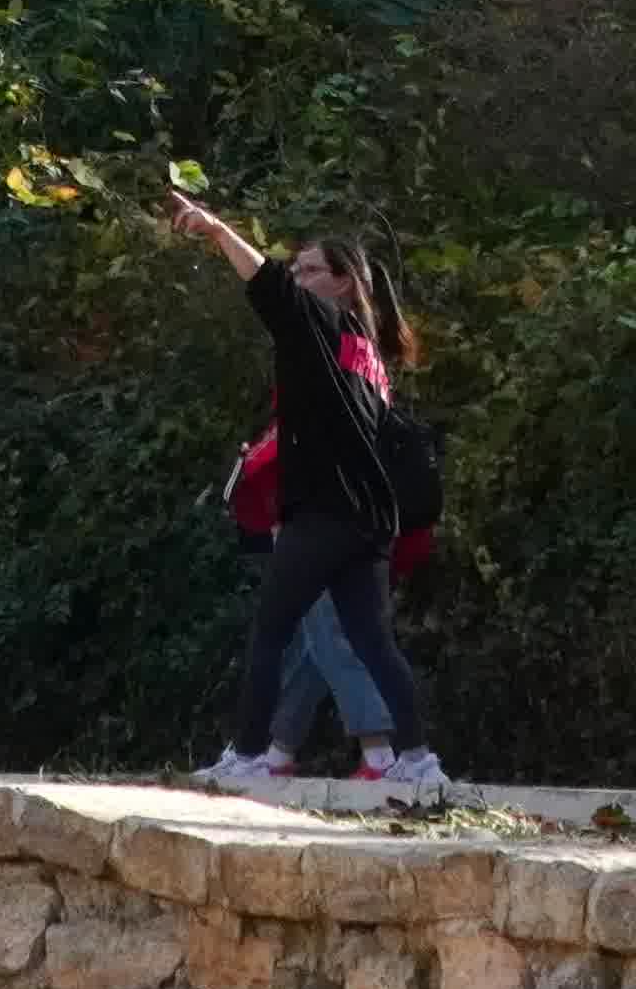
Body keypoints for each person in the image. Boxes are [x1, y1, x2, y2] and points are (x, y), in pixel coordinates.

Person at [163, 186, 446, 796]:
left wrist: (217, 231)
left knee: (271, 631)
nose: (298, 277)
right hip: (372, 518)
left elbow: (265, 281)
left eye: (311, 269)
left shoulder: (322, 323)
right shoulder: (366, 350)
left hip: (326, 513)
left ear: (342, 283)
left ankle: (246, 755)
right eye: (298, 268)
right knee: (372, 640)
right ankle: (420, 761)